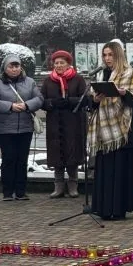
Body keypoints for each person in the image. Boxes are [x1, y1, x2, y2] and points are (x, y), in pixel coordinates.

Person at [87, 41, 133, 220]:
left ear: (118, 55)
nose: (107, 58)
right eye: (104, 55)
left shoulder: (130, 72)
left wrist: (123, 93)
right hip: (104, 132)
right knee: (106, 170)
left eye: (110, 55)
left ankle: (119, 209)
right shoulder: (102, 74)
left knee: (120, 171)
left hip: (123, 130)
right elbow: (91, 103)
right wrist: (95, 100)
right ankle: (104, 208)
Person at [0, 53, 43, 201]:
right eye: (11, 66)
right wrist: (10, 106)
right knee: (9, 159)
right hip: (5, 129)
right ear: (5, 69)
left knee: (22, 159)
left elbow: (39, 99)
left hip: (25, 127)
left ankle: (21, 191)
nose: (14, 69)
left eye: (17, 66)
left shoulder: (30, 82)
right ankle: (7, 192)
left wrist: (27, 105)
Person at [40, 50, 88, 199]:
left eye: (62, 63)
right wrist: (52, 103)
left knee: (72, 153)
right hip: (55, 123)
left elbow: (85, 99)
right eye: (56, 63)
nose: (59, 65)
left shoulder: (78, 79)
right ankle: (58, 186)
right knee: (57, 155)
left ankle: (73, 185)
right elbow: (41, 101)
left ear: (68, 64)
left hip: (73, 122)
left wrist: (70, 101)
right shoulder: (49, 81)